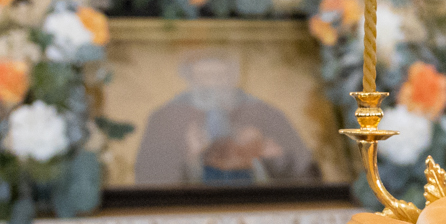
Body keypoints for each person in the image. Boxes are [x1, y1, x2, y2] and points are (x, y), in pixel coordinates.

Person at [132, 50, 316, 185]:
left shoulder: (263, 113)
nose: (213, 85)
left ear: (233, 78)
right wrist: (190, 157)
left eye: (220, 76)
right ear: (190, 79)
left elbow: (305, 172)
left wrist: (267, 154)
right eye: (205, 77)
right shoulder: (167, 117)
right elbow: (148, 177)